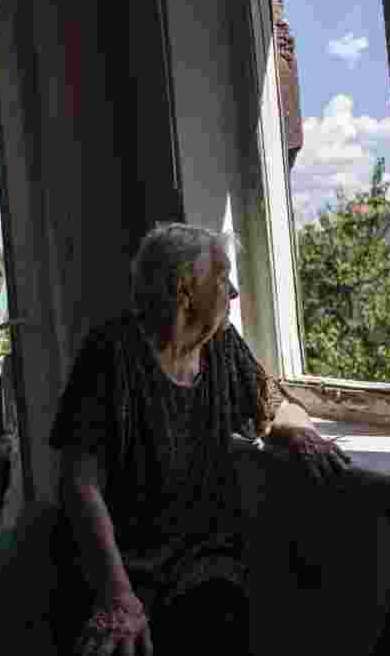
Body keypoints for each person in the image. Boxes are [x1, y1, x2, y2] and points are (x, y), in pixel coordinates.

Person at [49, 223, 352, 655]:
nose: (232, 292)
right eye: (222, 276)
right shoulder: (111, 354)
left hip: (200, 563)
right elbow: (81, 484)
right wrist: (116, 594)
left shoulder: (221, 345)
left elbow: (272, 403)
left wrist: (300, 431)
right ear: (184, 291)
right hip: (119, 565)